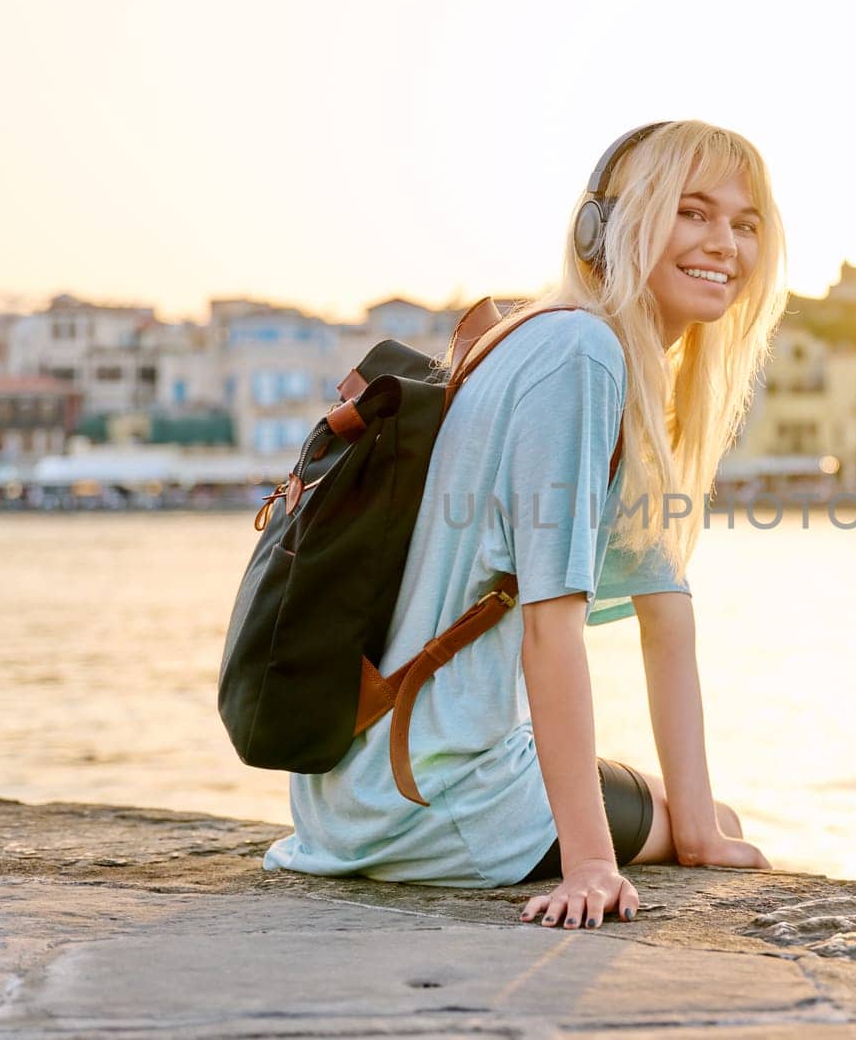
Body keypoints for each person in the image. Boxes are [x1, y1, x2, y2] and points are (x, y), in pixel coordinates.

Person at [263, 120, 788, 931]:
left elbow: (666, 613)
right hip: (442, 799)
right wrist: (590, 866)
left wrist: (698, 830)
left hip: (359, 791)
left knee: (710, 820)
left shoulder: (545, 340)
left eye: (745, 223)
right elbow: (550, 626)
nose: (723, 242)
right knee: (719, 818)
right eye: (692, 212)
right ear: (608, 227)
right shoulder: (582, 355)